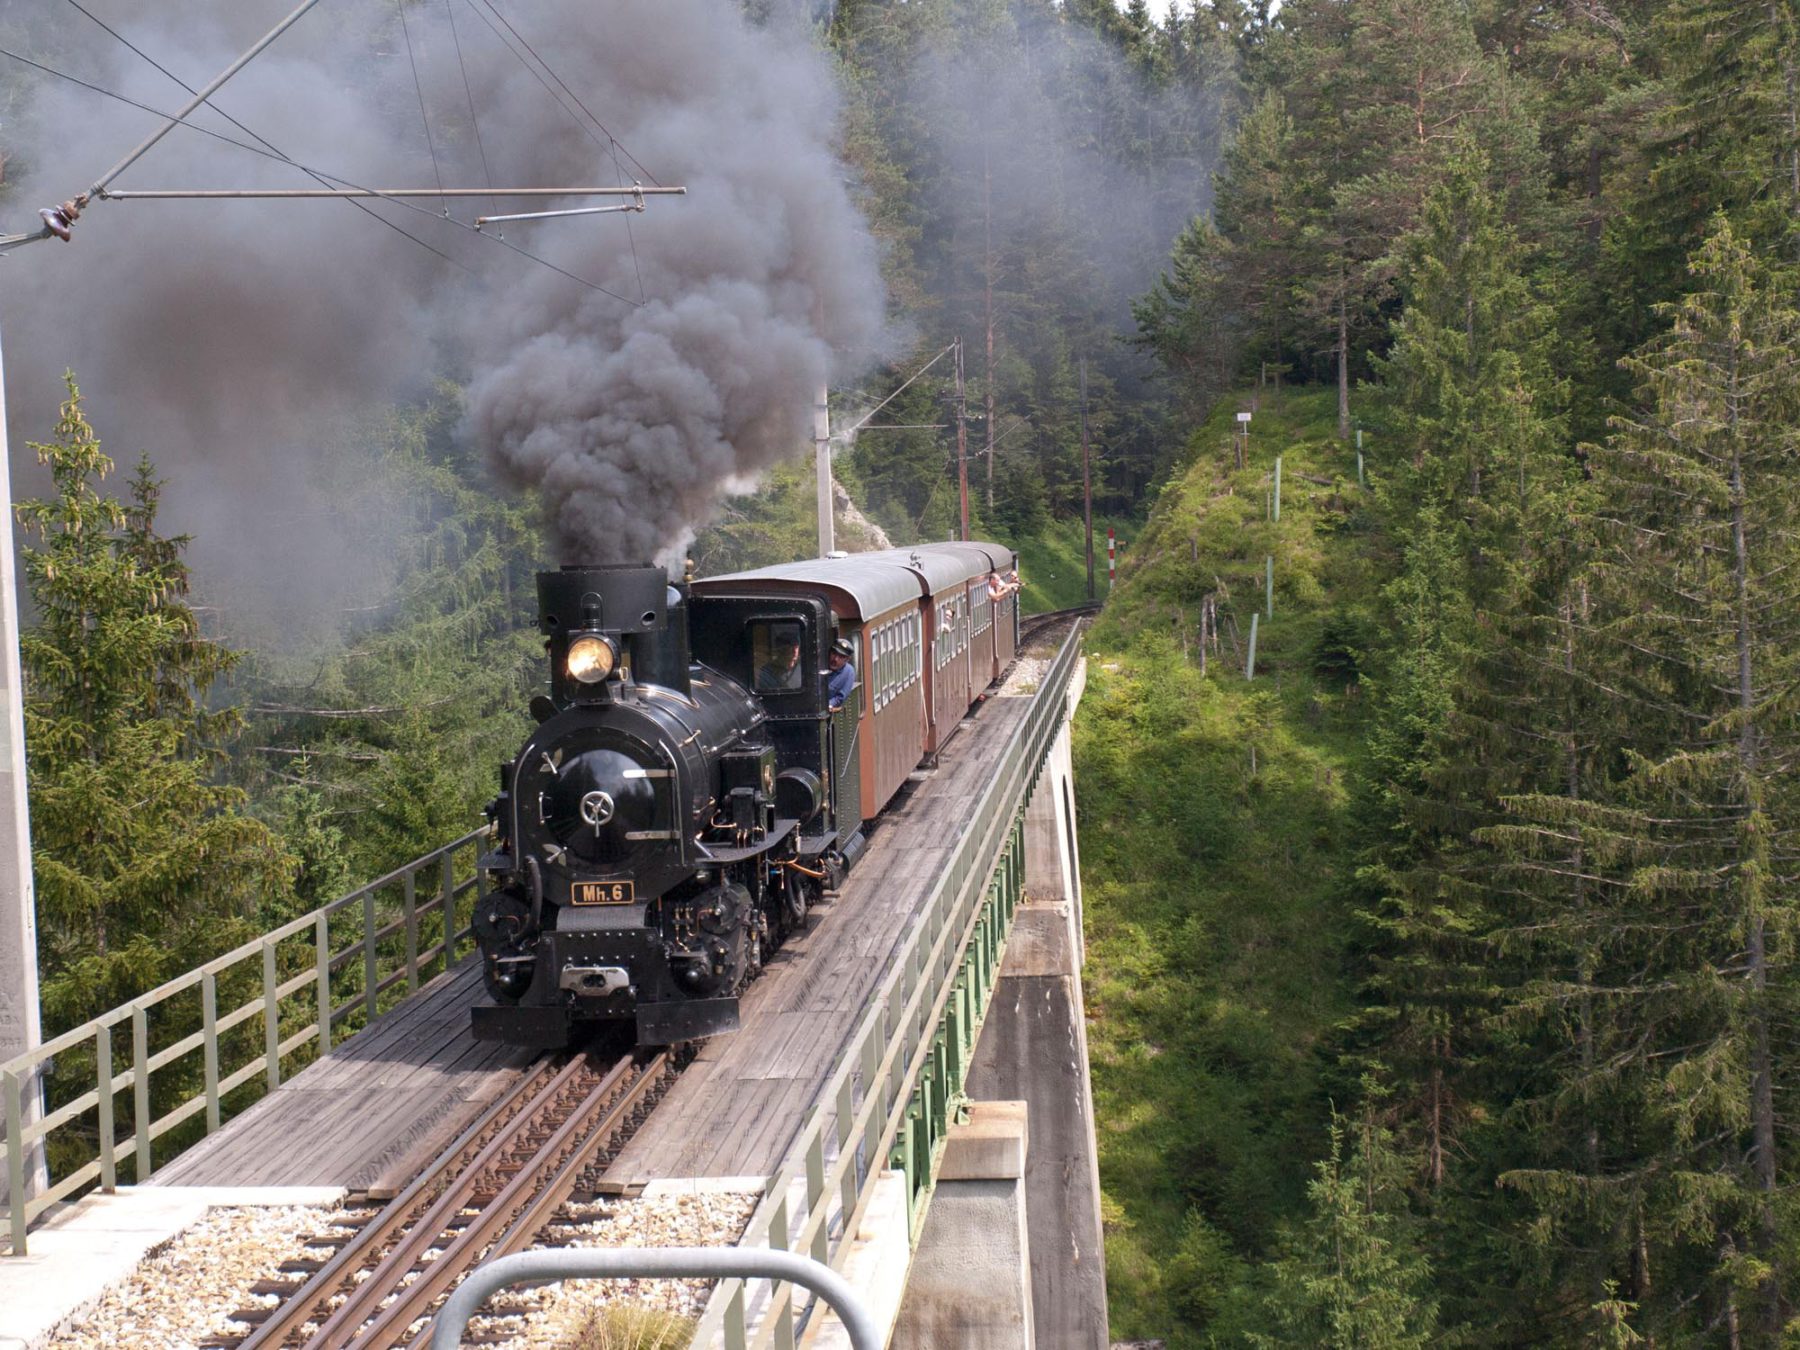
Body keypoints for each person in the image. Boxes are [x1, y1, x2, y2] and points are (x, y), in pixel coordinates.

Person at [826, 637, 857, 711]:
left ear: (847, 659)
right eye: (834, 654)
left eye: (841, 657)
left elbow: (839, 698)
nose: (835, 659)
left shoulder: (848, 673)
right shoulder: (820, 664)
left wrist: (827, 705)